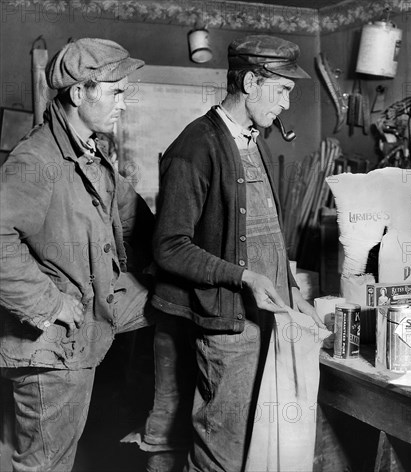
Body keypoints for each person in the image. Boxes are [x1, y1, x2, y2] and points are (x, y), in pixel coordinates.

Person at [145, 34, 322, 472]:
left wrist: (290, 286)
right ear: (249, 82)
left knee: (254, 447)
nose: (285, 104)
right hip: (228, 322)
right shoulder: (197, 145)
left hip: (264, 315)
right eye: (281, 90)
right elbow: (169, 247)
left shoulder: (252, 139)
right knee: (223, 452)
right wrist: (245, 279)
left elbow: (265, 231)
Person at [0, 38, 154, 471]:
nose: (124, 103)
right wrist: (49, 306)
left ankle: (156, 430)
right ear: (78, 92)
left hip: (93, 315)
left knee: (180, 302)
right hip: (52, 346)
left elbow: (131, 215)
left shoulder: (89, 152)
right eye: (116, 91)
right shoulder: (36, 159)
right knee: (46, 465)